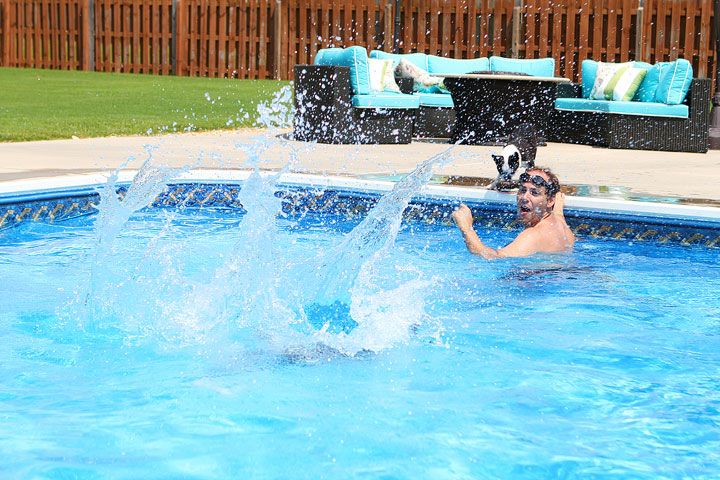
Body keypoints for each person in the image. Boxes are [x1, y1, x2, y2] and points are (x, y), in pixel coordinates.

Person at [451, 167, 575, 259]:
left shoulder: (532, 235)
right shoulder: (560, 225)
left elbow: (491, 257)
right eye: (522, 190)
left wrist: (466, 228)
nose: (524, 197)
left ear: (550, 201)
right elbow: (557, 214)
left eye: (534, 193)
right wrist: (557, 209)